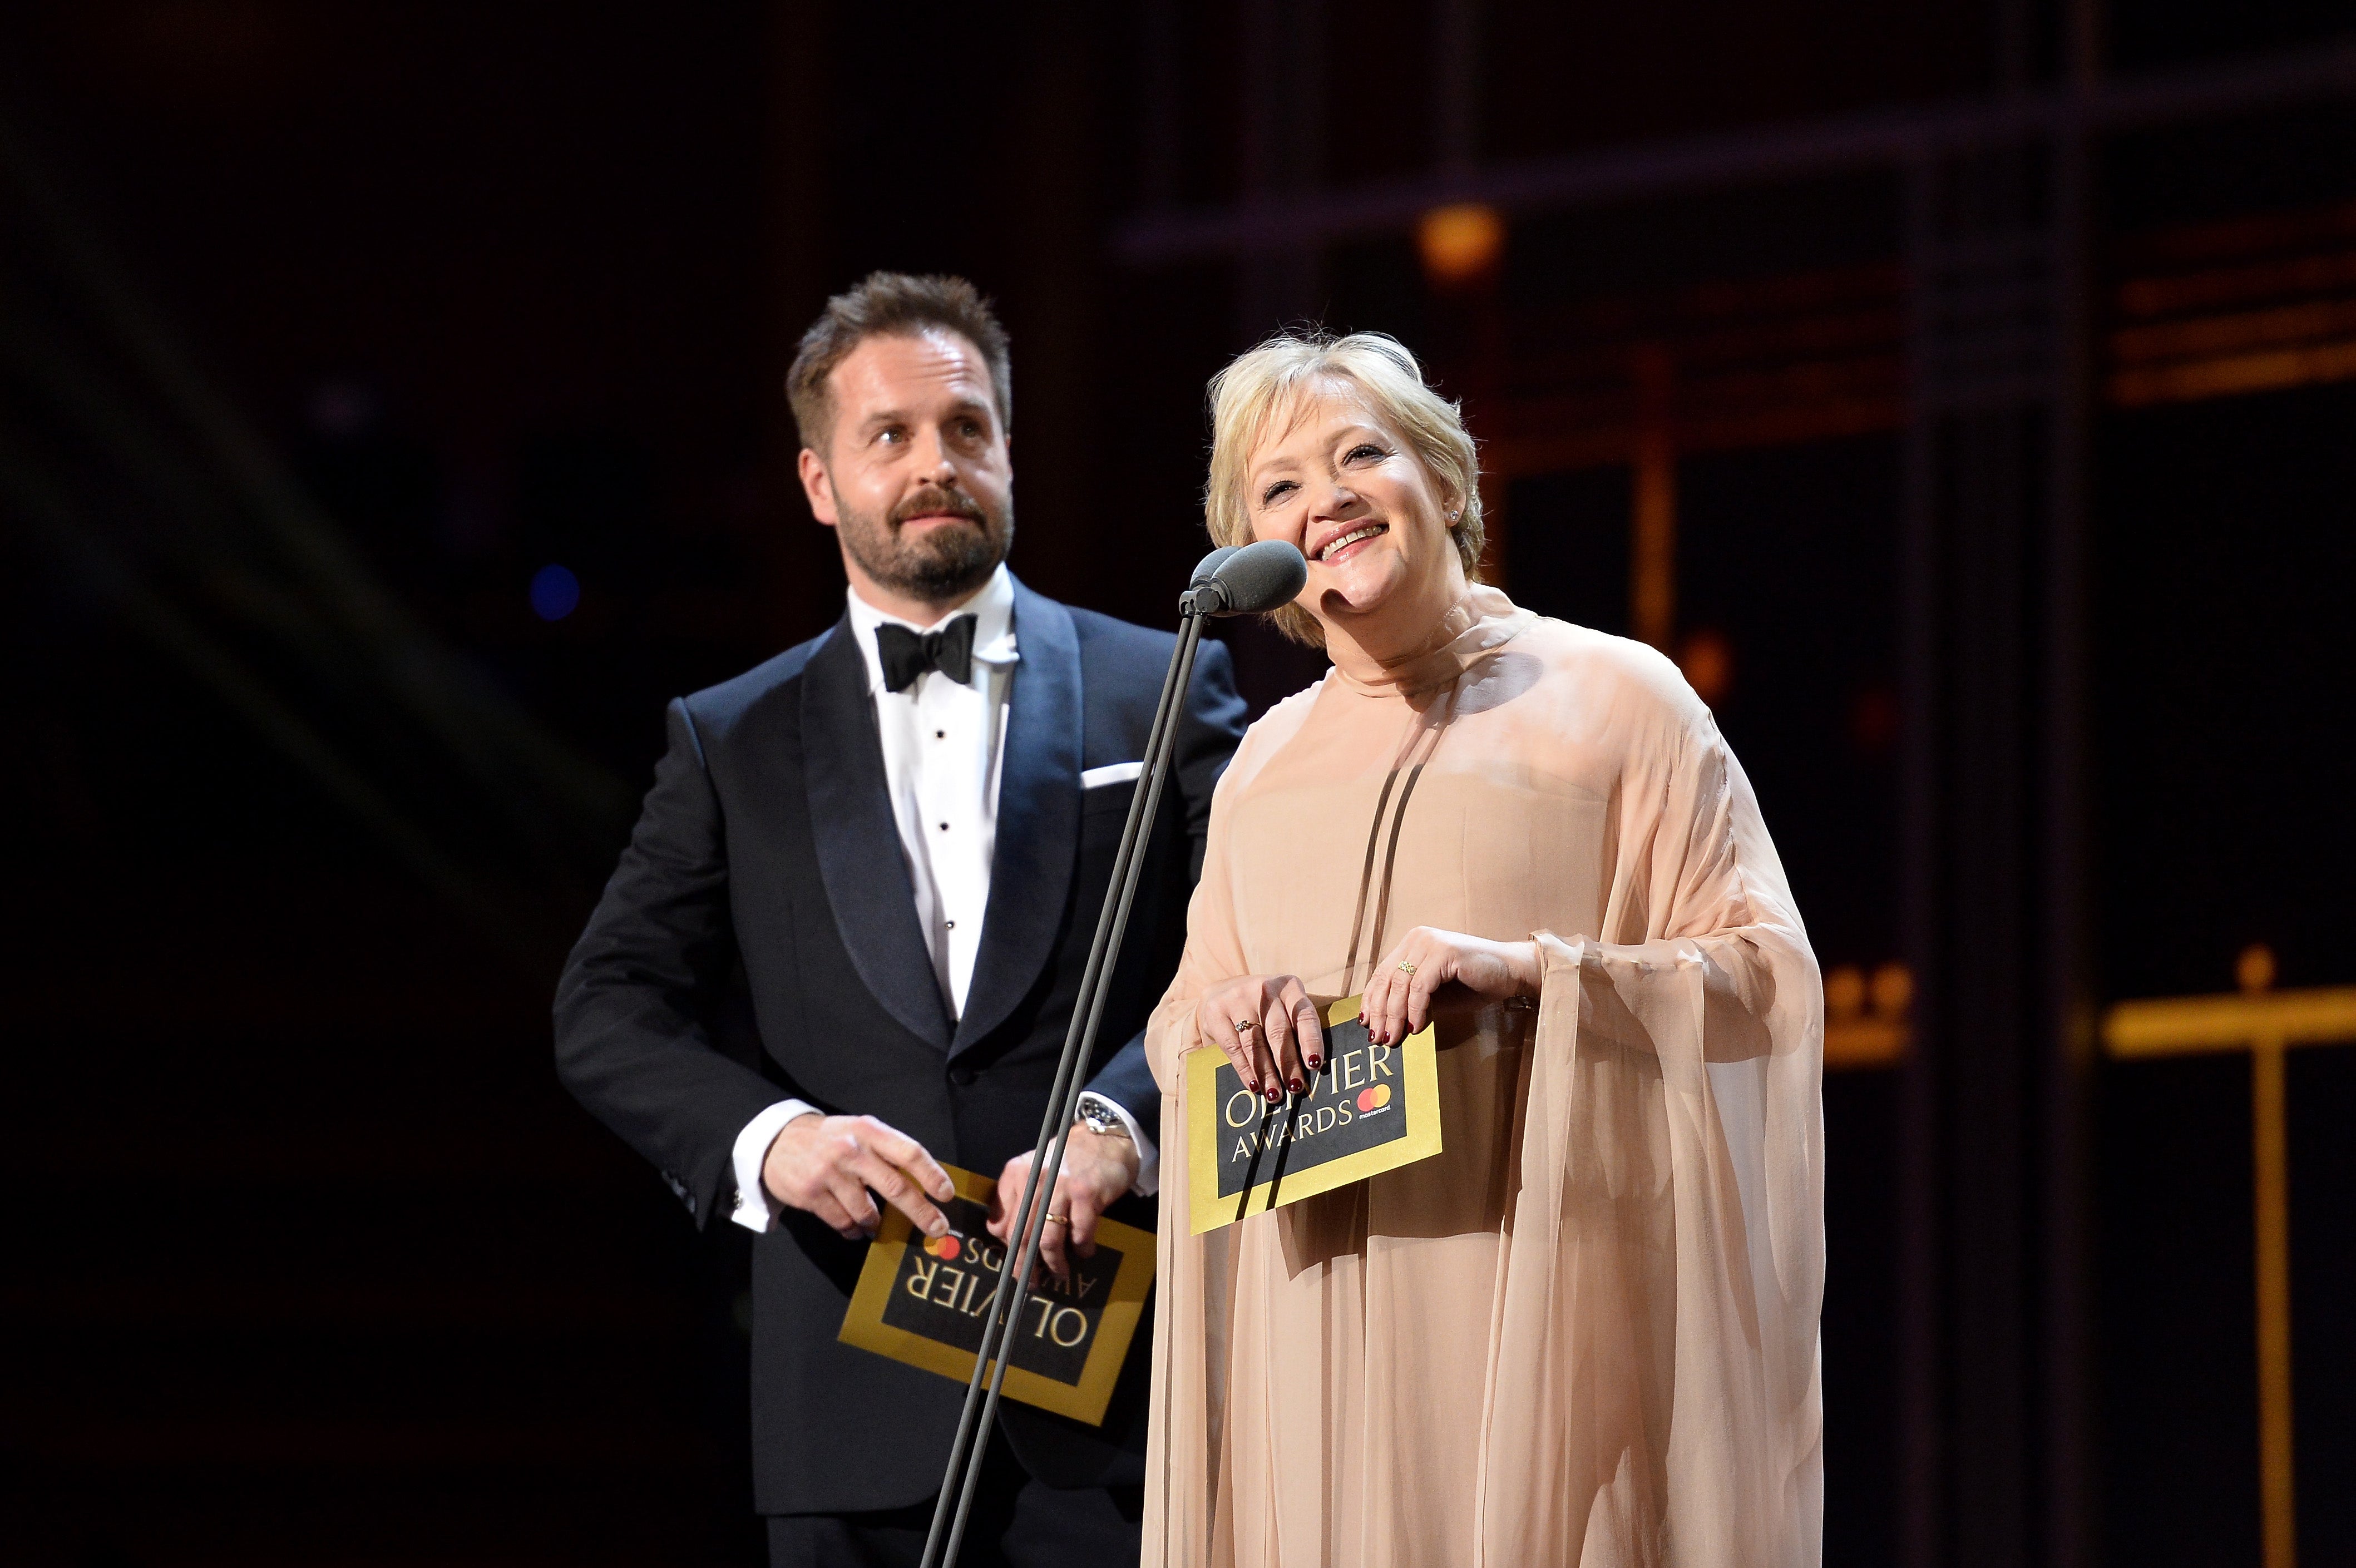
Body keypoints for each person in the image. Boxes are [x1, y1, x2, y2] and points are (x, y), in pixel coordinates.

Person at [555, 272, 1246, 1566]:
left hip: (1120, 1398)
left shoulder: (1166, 684)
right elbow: (603, 1011)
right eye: (891, 436)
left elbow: (1256, 953)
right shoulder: (728, 739)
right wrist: (774, 1141)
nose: (938, 464)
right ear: (819, 480)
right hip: (847, 1403)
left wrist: (1121, 1124)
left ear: (1009, 451)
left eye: (968, 430)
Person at [1138, 332, 1824, 1566]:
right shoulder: (1259, 767)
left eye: (1362, 453)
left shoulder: (1621, 701)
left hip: (1537, 1338)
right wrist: (1222, 1016)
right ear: (1259, 559)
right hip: (1309, 1350)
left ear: (1446, 485)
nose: (1326, 497)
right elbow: (1181, 1015)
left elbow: (1766, 982)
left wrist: (1537, 974)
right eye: (1278, 487)